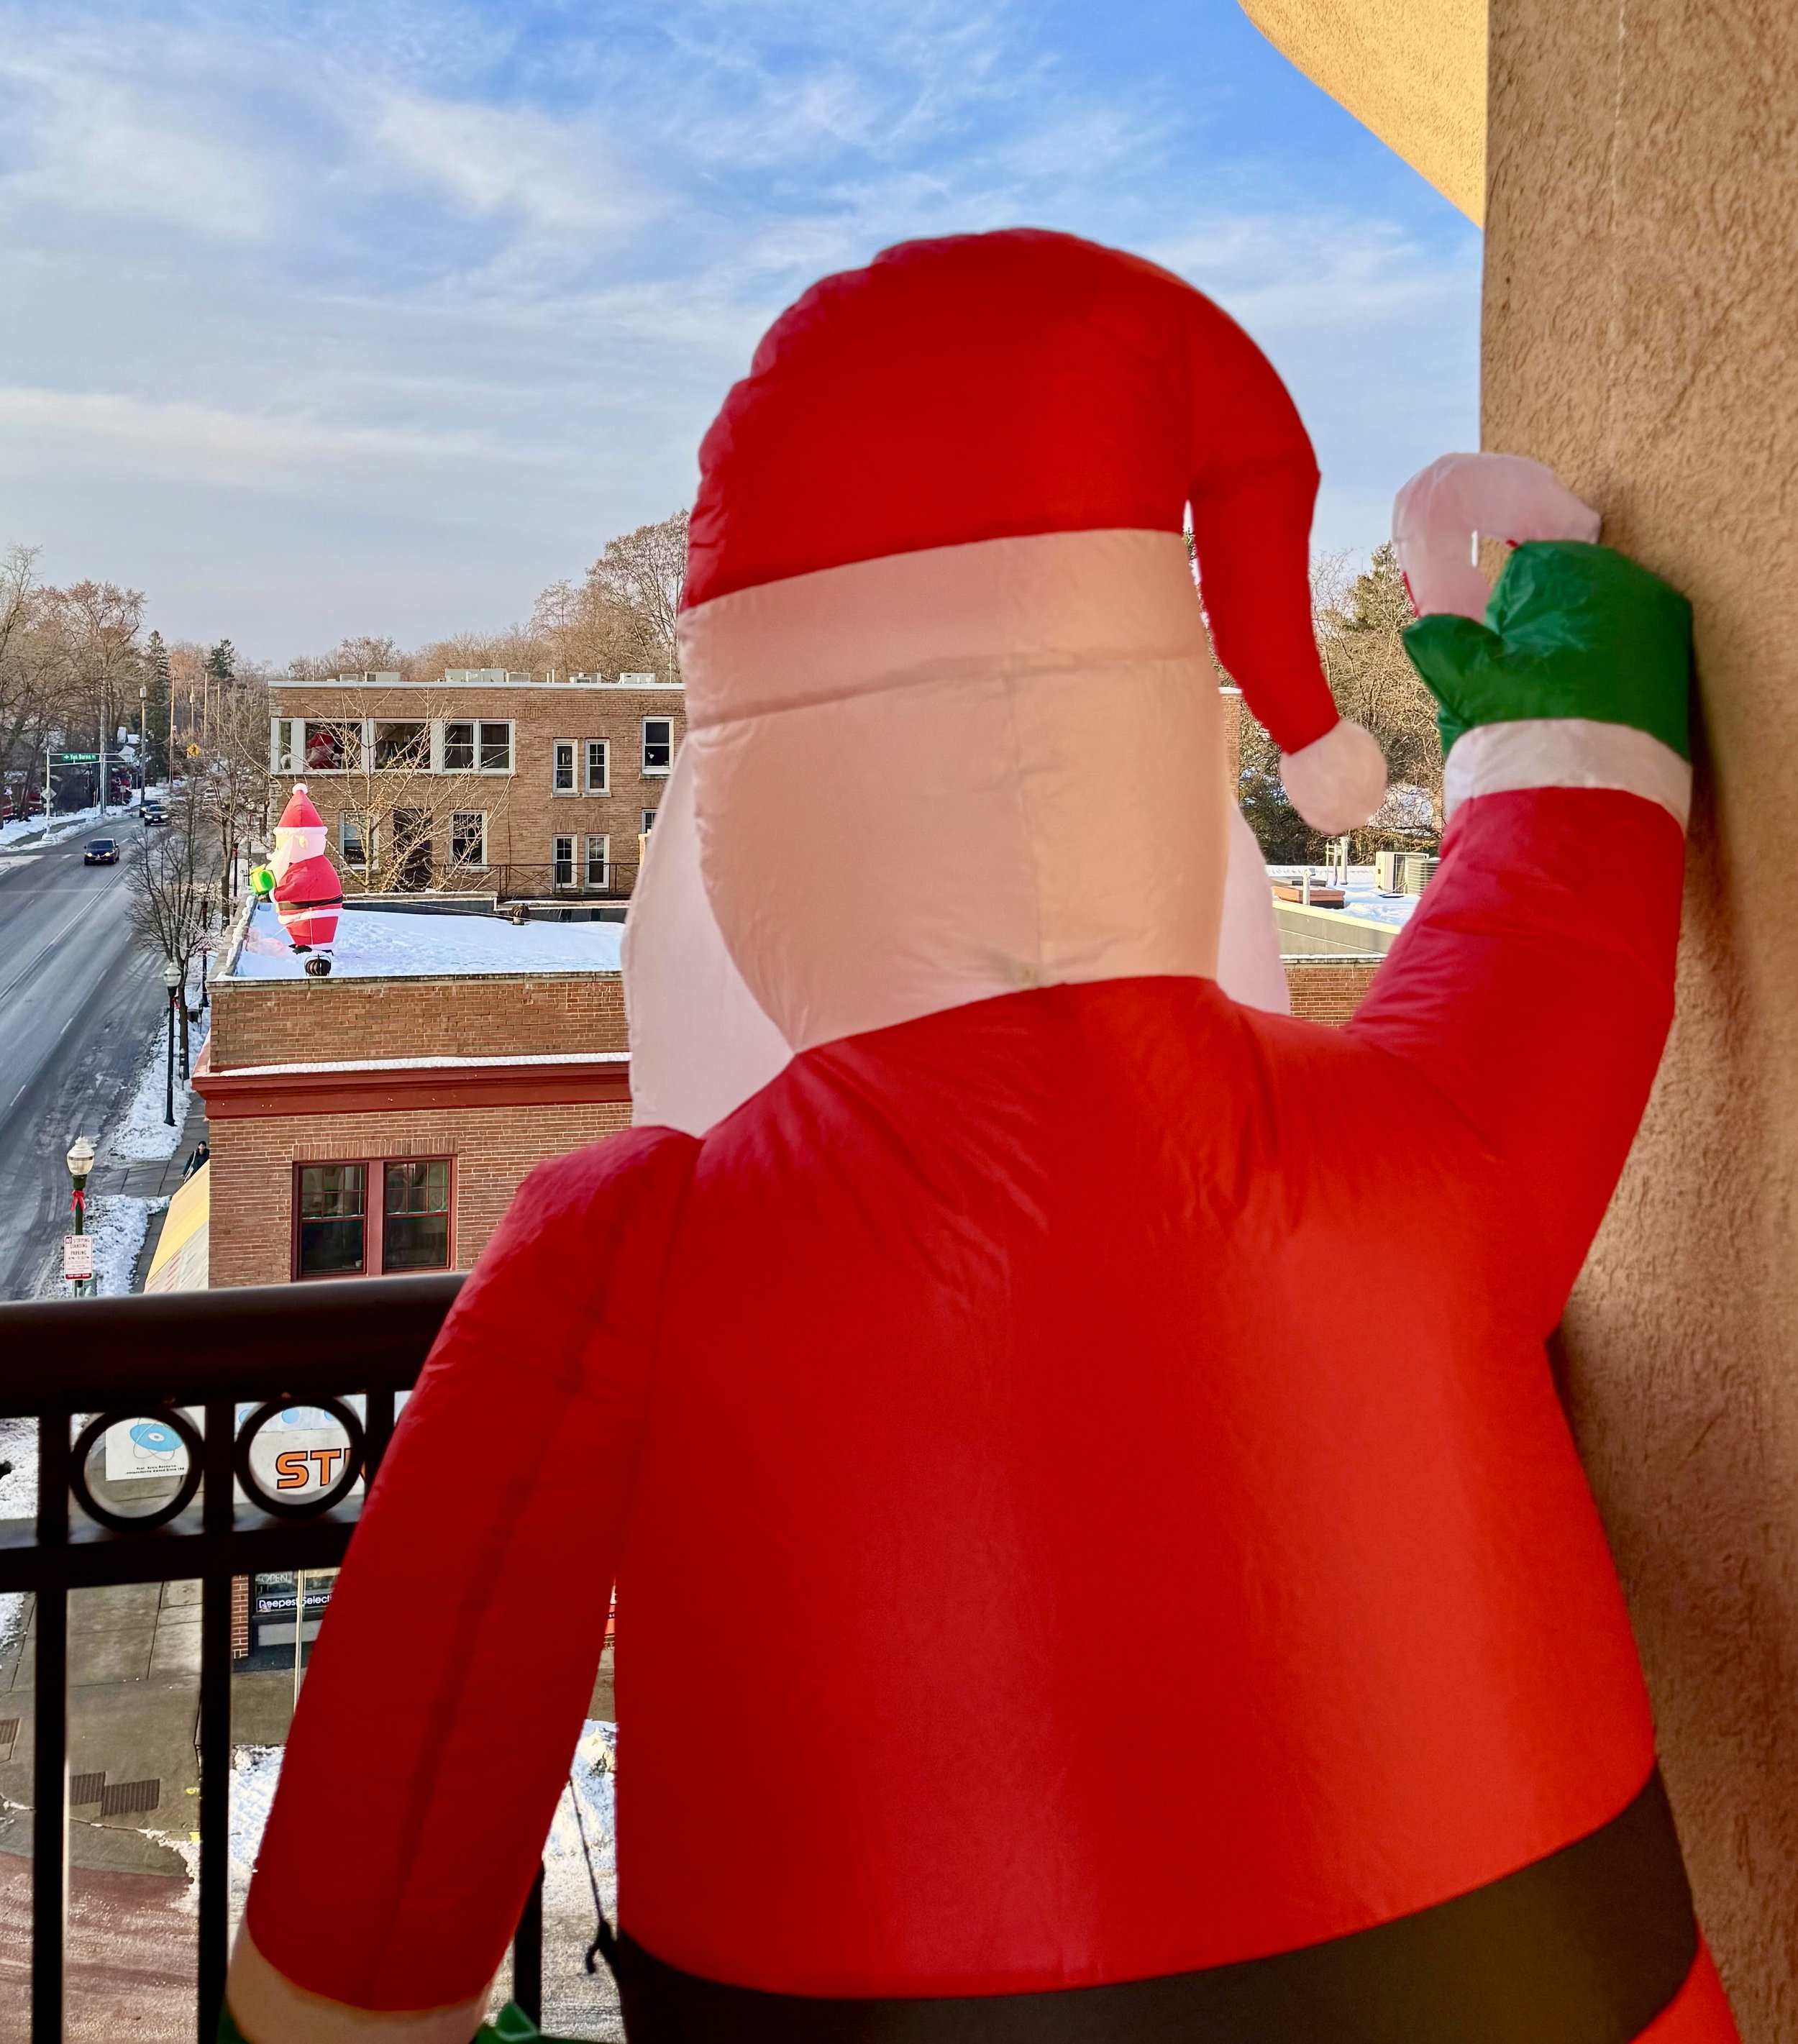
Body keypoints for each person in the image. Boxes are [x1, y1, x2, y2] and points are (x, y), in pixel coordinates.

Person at [224, 231, 1733, 2044]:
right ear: (1161, 753)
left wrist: (336, 2003)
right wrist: (1567, 665)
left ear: (760, 800)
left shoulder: (637, 1247)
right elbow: (1558, 915)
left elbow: (430, 1708)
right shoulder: (1415, 1143)